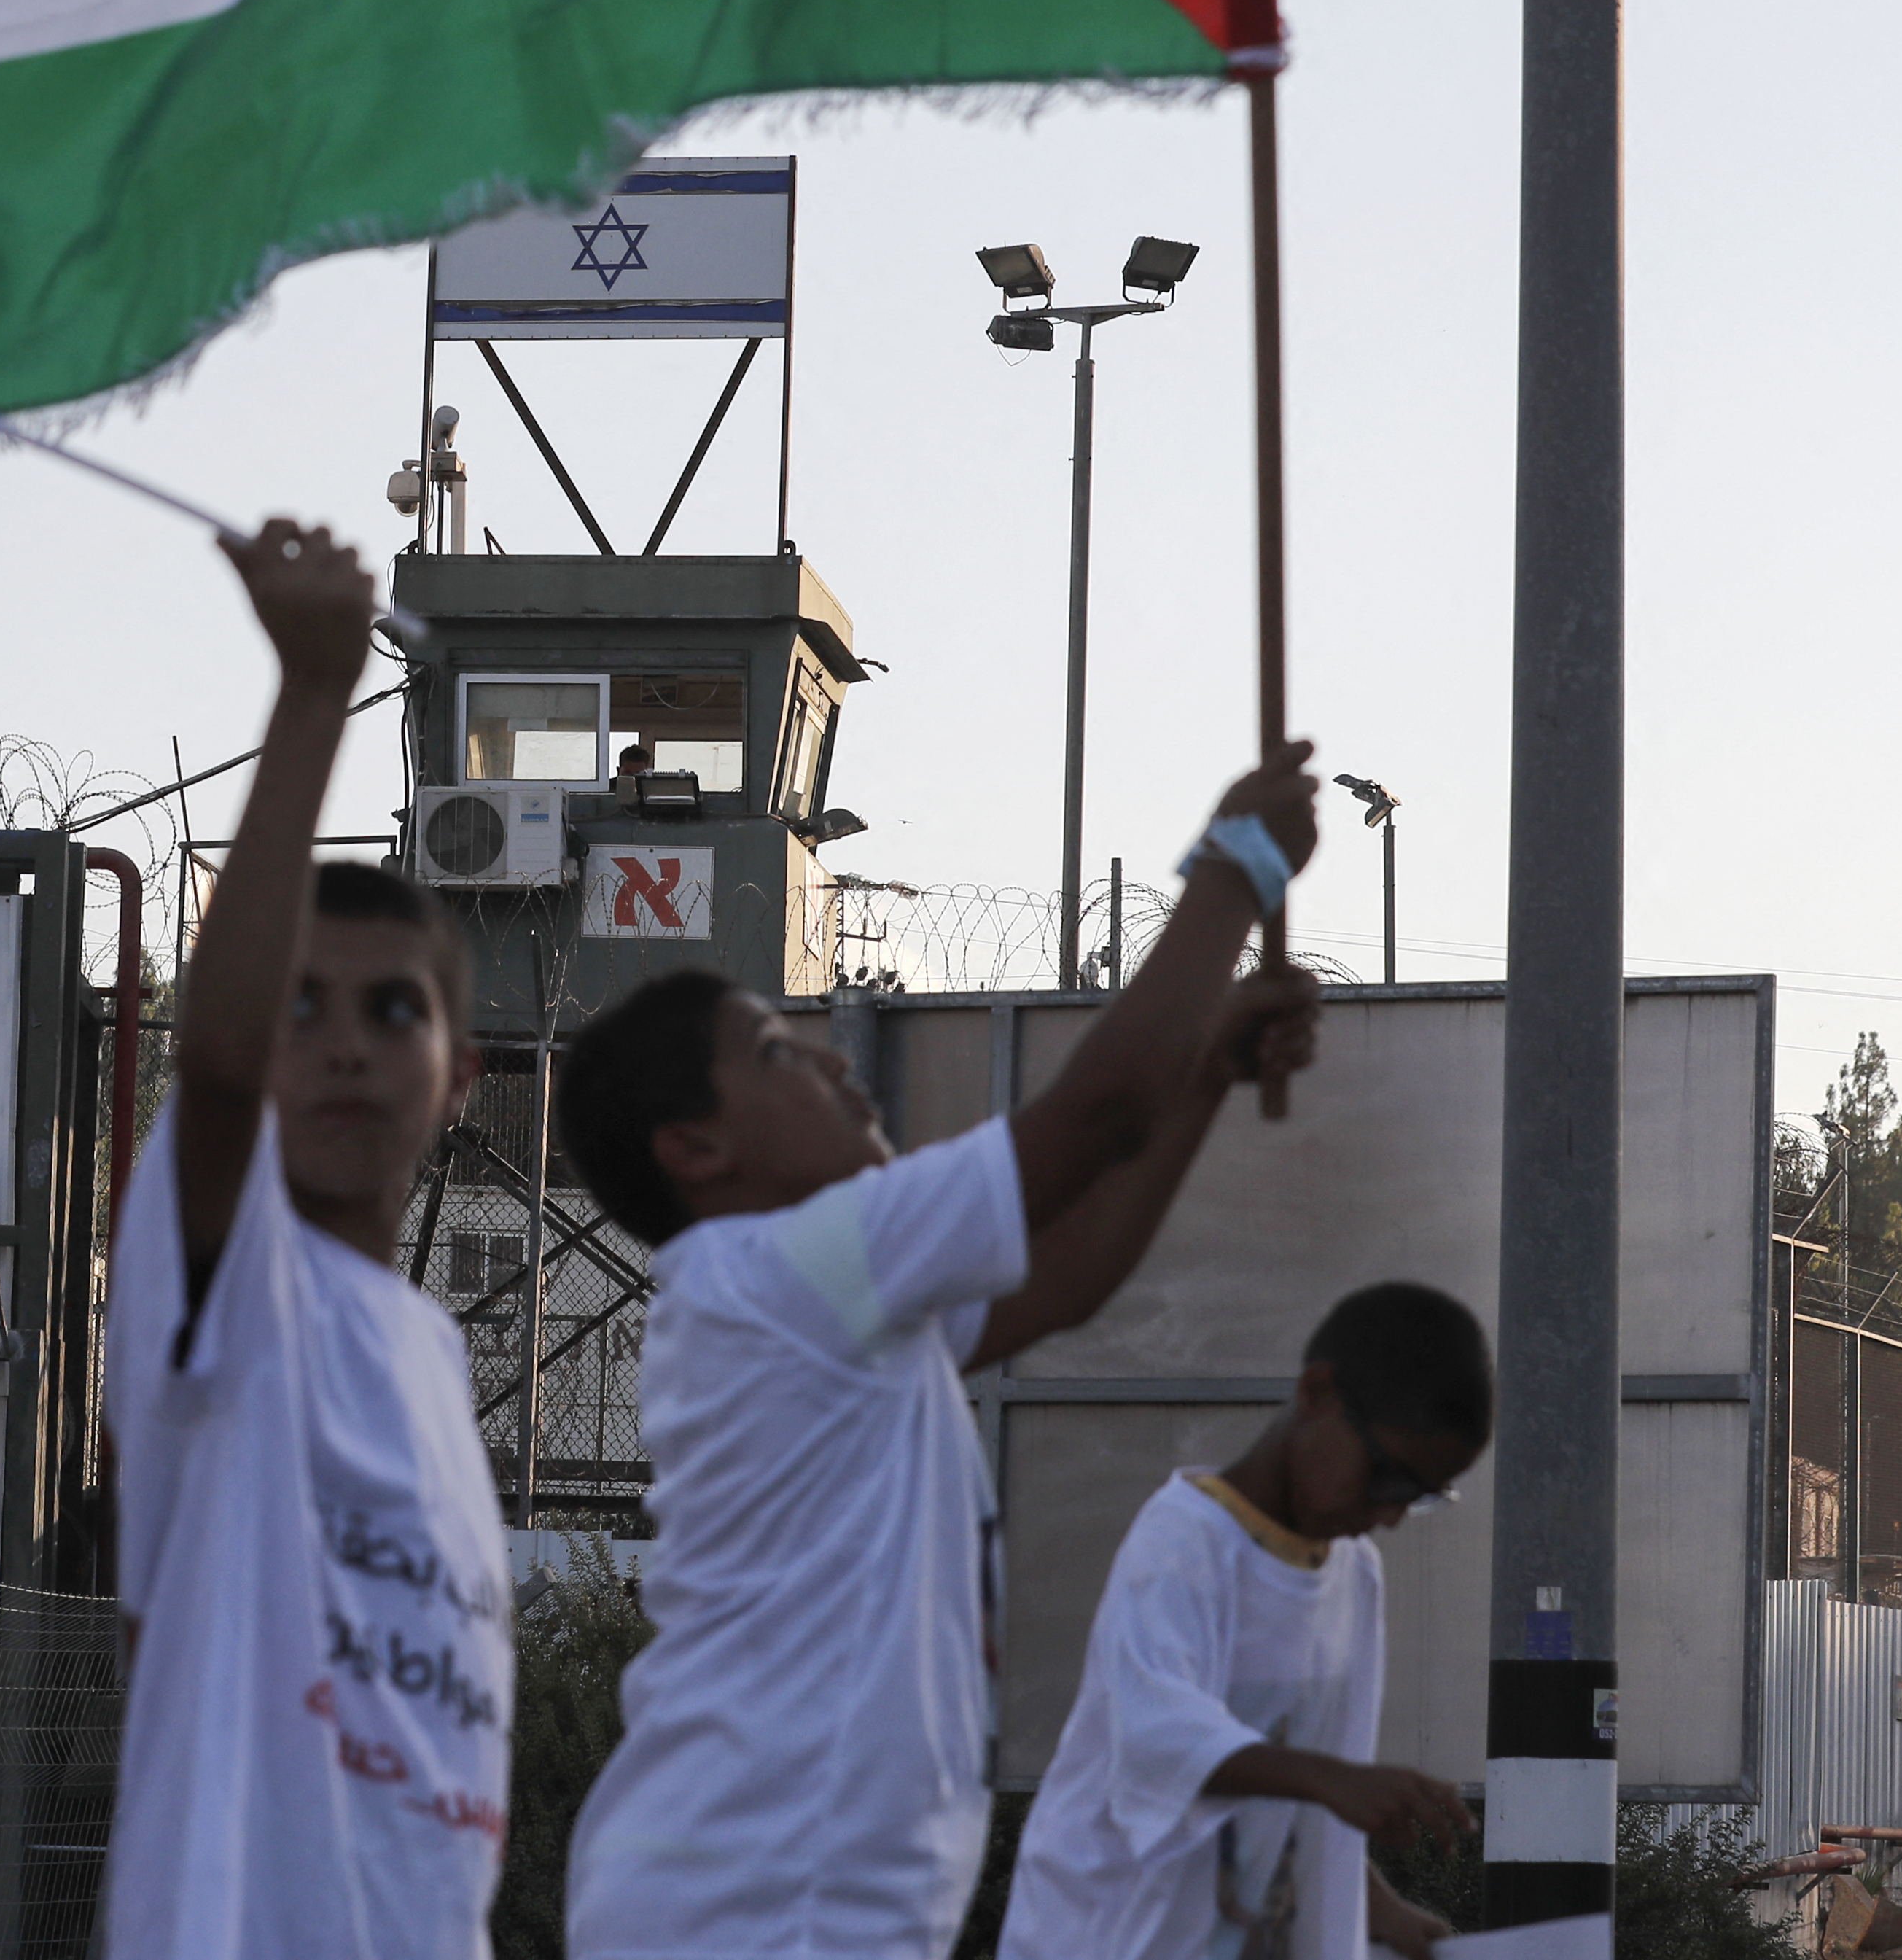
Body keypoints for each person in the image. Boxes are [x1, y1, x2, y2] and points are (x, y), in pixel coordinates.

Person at [558, 750, 1328, 1960]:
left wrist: (1210, 1075)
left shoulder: (814, 1302)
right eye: (774, 1050)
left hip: (774, 1892)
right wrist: (1235, 872)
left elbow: (1067, 1274)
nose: (828, 1057)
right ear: (695, 1149)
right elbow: (1094, 1117)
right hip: (751, 1902)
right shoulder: (785, 1270)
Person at [101, 519, 509, 1960]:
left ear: (461, 1074)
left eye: (394, 1007)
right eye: (301, 1006)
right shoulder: (234, 1272)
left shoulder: (427, 1352)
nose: (343, 1044)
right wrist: (318, 688)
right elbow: (213, 1065)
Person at [999, 1283, 1495, 1960]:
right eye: (1387, 1476)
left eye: (1422, 1495)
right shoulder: (1184, 1540)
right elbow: (1155, 1735)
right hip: (1101, 1932)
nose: (1391, 1514)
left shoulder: (1355, 1574)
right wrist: (1332, 1780)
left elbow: (1311, 1800)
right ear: (1317, 1393)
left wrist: (1376, 1908)